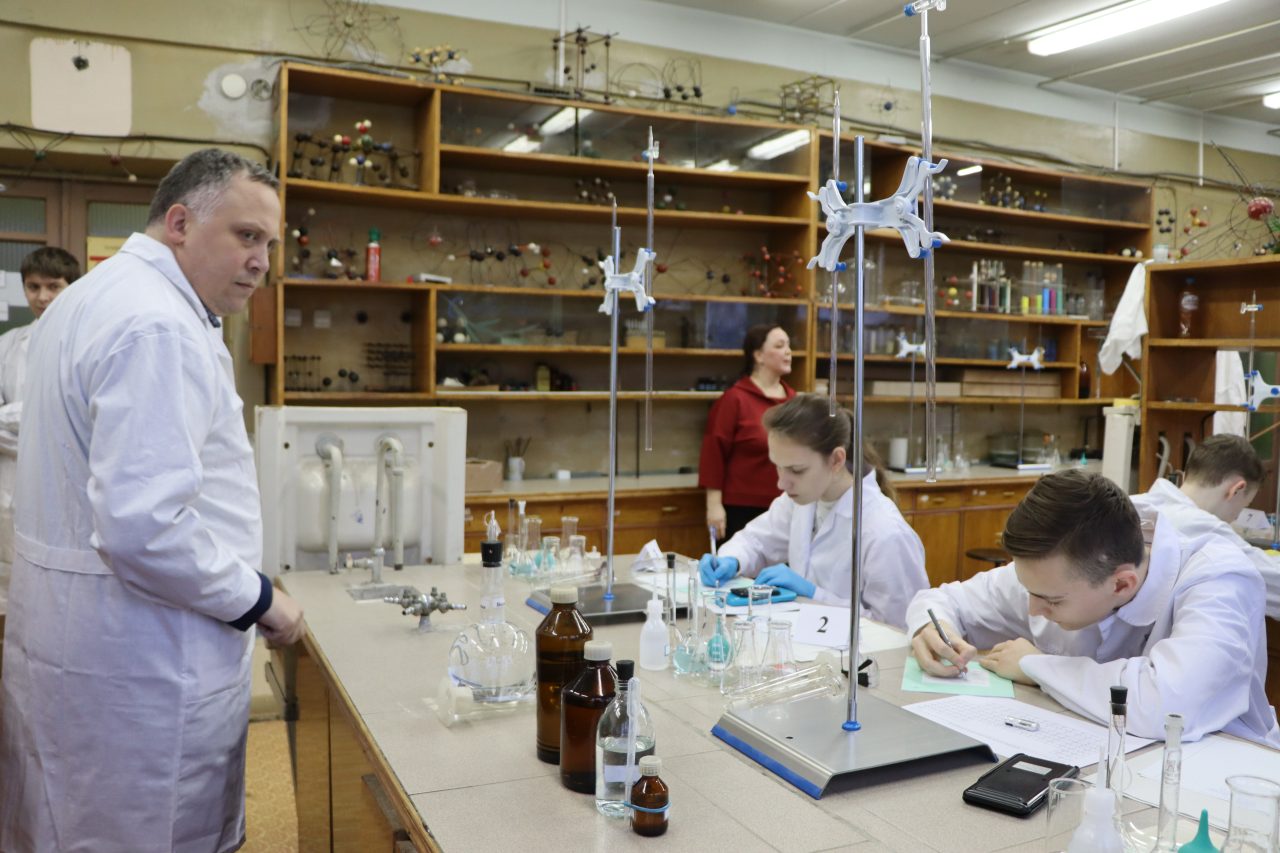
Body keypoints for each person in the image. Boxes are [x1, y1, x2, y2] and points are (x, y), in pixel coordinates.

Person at [0, 149, 307, 853]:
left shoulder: (92, 298)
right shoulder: (157, 324)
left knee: (65, 819)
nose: (261, 262)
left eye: (269, 244)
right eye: (247, 236)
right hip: (144, 658)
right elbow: (145, 527)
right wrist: (261, 598)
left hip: (81, 641)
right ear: (179, 222)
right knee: (147, 828)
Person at [907, 469, 1279, 746]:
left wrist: (1035, 666)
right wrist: (933, 630)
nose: (1032, 610)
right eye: (1030, 592)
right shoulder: (1059, 567)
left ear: (1121, 584)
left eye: (1052, 601)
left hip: (1216, 771)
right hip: (1091, 746)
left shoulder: (1219, 579)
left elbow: (1168, 705)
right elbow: (943, 601)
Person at [698, 393, 928, 629]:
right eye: (778, 467)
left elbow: (898, 627)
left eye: (796, 470)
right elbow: (756, 541)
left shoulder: (886, 533)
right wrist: (732, 559)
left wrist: (814, 594)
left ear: (836, 460)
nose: (781, 483)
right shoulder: (804, 499)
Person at [0, 247, 80, 608]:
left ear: (72, 287)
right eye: (33, 287)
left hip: (66, 484)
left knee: (59, 595)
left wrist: (19, 419)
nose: (42, 297)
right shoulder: (7, 345)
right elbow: (53, 418)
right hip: (11, 484)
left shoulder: (86, 344)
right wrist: (42, 422)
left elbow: (78, 418)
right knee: (10, 587)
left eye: (53, 286)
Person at [1132, 434, 1280, 619]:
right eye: (1245, 505)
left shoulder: (1133, 504)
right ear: (1236, 490)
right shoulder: (1205, 530)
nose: (1235, 517)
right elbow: (1275, 582)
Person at [699, 324, 795, 541]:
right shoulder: (734, 399)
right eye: (780, 346)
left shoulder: (793, 401)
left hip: (786, 506)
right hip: (742, 508)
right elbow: (713, 454)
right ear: (758, 355)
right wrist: (713, 505)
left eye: (789, 345)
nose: (788, 351)